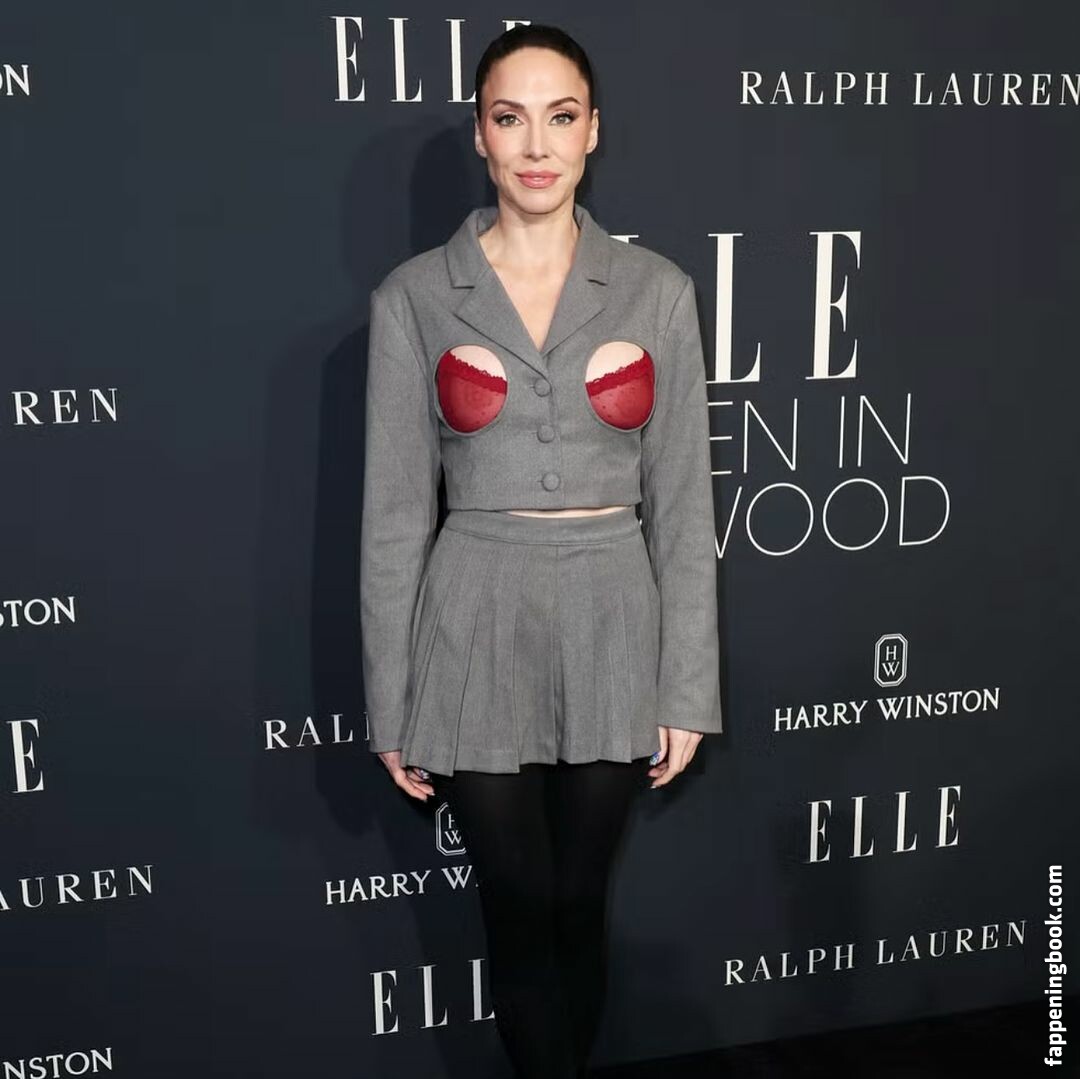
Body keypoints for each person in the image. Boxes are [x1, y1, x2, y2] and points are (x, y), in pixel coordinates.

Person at [359, 23, 722, 1079]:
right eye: (509, 118)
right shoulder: (415, 296)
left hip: (615, 607)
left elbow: (683, 502)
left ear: (593, 130)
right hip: (473, 611)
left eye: (559, 117)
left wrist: (686, 684)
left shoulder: (656, 290)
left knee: (576, 898)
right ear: (480, 135)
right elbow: (394, 516)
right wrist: (393, 702)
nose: (536, 144)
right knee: (516, 904)